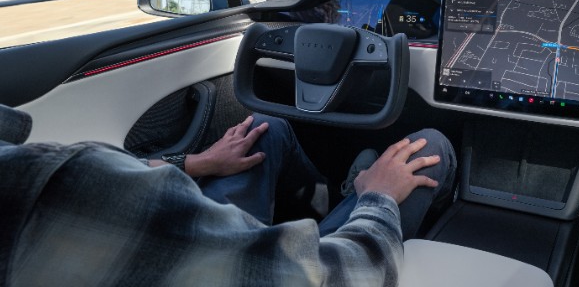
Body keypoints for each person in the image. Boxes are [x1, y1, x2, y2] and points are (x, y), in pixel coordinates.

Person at [0, 106, 457, 286]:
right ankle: (356, 199)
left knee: (265, 129)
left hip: (206, 260)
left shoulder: (31, 175)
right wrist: (378, 199)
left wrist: (198, 162)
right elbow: (340, 278)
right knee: (428, 149)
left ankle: (341, 202)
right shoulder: (52, 191)